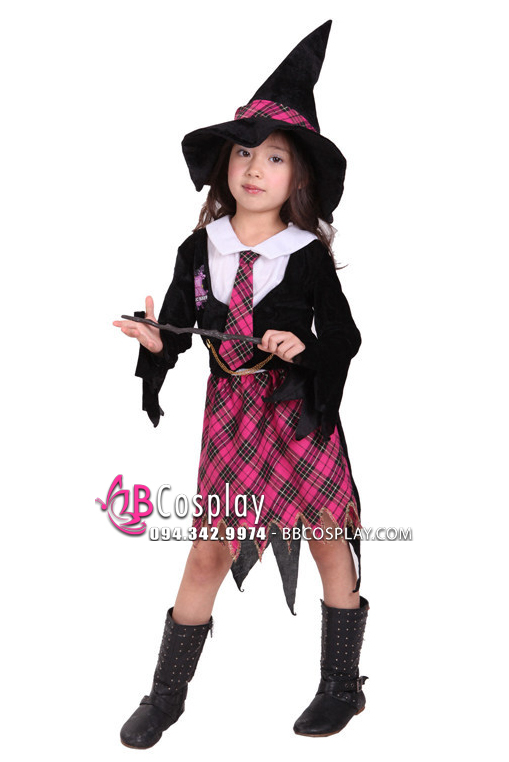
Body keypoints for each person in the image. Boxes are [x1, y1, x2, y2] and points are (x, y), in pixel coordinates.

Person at [113, 20, 370, 747]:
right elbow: (178, 325)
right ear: (226, 164)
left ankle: (341, 687)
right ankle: (166, 695)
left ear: (300, 177)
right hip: (230, 415)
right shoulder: (200, 248)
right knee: (208, 549)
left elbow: (345, 338)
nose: (254, 168)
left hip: (296, 414)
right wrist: (156, 340)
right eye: (244, 152)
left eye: (275, 157)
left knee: (327, 539)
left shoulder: (305, 255)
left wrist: (304, 348)